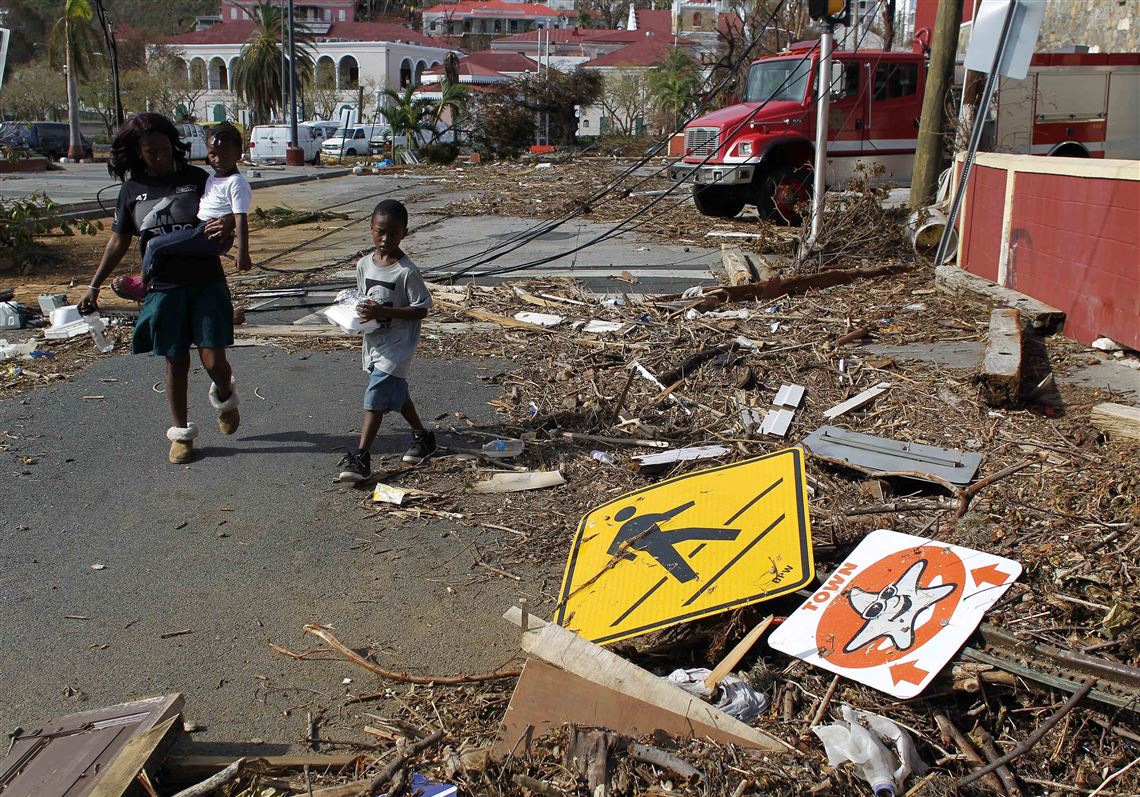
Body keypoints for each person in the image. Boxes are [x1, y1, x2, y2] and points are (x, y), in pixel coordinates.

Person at [77, 112, 242, 465]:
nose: (159, 156)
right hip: (163, 288)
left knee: (214, 360)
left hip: (206, 282)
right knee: (175, 360)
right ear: (138, 153)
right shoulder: (131, 191)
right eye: (150, 151)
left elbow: (232, 210)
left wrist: (229, 225)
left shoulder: (198, 179)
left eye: (164, 148)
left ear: (173, 146)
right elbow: (118, 241)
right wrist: (93, 286)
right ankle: (181, 433)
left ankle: (225, 394)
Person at [337, 199, 435, 483]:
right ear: (370, 230)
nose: (385, 239)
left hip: (399, 344)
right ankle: (423, 437)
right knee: (396, 392)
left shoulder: (406, 271)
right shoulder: (363, 265)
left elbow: (422, 309)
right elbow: (363, 300)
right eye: (380, 232)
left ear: (404, 232)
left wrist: (384, 312)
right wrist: (353, 314)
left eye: (393, 233)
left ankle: (361, 457)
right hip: (374, 341)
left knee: (376, 395)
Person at [112, 122, 252, 300]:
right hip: (202, 232)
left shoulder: (229, 181)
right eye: (213, 155)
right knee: (166, 247)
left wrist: (242, 251)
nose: (218, 160)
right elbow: (117, 240)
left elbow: (241, 215)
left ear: (239, 154)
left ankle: (142, 284)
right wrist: (94, 285)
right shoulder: (213, 178)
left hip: (207, 234)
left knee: (154, 245)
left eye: (225, 155)